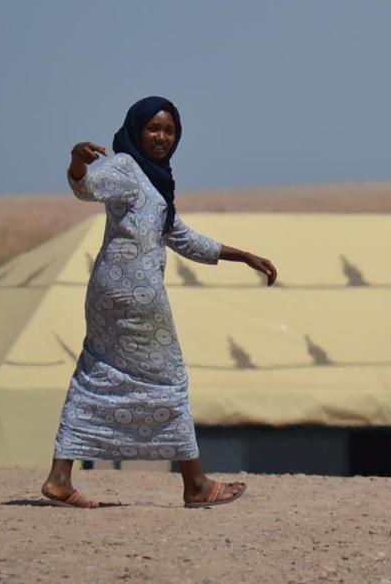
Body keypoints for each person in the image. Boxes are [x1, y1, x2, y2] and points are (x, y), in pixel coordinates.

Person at [41, 96, 277, 508]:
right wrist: (77, 162)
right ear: (136, 129)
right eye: (153, 129)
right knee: (169, 379)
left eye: (169, 131)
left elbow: (180, 235)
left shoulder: (153, 179)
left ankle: (60, 478)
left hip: (106, 293)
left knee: (95, 371)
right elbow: (87, 188)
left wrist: (243, 256)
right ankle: (196, 485)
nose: (162, 138)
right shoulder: (126, 167)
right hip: (137, 293)